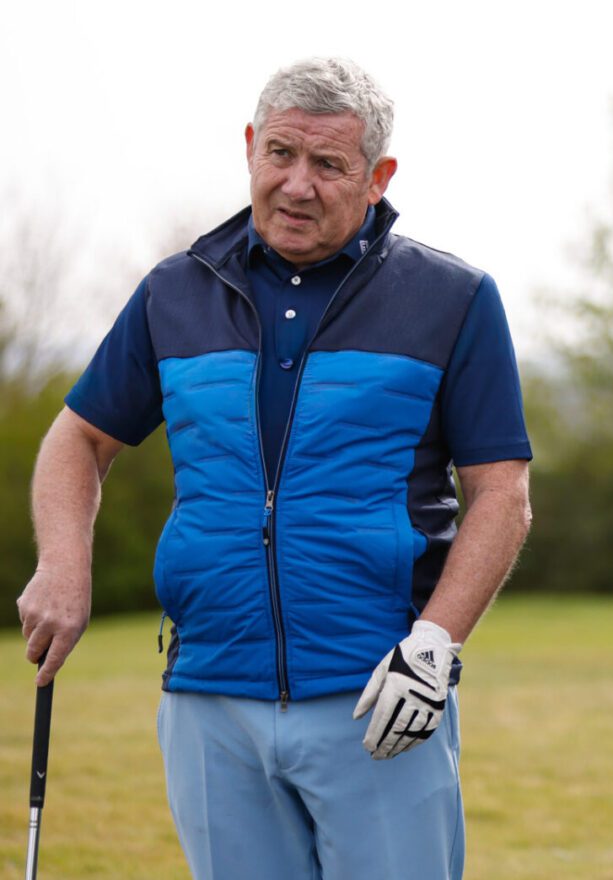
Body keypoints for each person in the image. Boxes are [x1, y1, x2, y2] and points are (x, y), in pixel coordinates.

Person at [17, 57, 533, 880]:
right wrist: (62, 565)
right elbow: (77, 439)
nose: (297, 185)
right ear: (251, 148)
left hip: (378, 692)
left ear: (377, 177)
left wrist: (434, 644)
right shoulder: (172, 293)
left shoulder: (454, 299)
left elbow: (501, 494)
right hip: (209, 696)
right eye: (281, 154)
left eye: (328, 165)